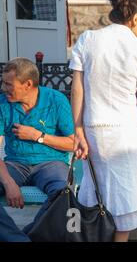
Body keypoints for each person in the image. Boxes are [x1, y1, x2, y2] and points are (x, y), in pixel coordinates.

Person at [70, 0, 137, 242]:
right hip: (127, 131)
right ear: (135, 17)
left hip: (93, 128)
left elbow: (77, 89)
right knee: (126, 197)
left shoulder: (87, 38)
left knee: (99, 194)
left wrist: (78, 130)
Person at [0, 58, 74, 242]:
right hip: (15, 164)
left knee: (62, 192)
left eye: (8, 84)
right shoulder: (2, 103)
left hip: (51, 164)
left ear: (28, 84)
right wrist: (8, 183)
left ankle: (29, 235)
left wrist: (38, 136)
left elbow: (73, 143)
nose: (3, 87)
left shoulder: (56, 100)